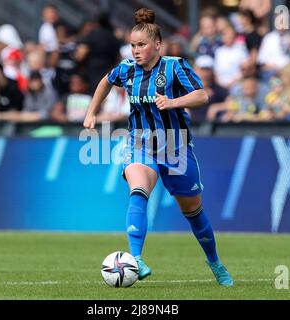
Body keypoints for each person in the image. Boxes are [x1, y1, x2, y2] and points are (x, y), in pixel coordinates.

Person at [83, 8, 234, 287]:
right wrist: (92, 111)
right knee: (138, 192)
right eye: (132, 45)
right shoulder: (126, 69)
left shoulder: (175, 66)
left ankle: (215, 262)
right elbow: (105, 81)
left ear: (157, 45)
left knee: (193, 212)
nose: (136, 50)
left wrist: (173, 102)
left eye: (141, 45)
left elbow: (202, 95)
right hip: (140, 144)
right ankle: (136, 260)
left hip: (175, 147)